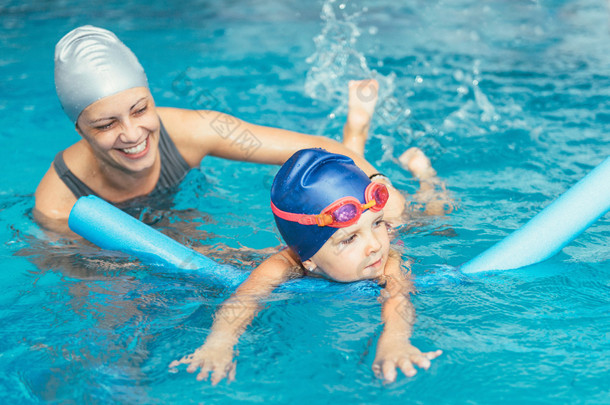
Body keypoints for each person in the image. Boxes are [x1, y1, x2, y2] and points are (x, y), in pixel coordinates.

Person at [34, 25, 406, 234]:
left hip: (185, 207)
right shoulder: (57, 202)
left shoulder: (195, 129)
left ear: (152, 97)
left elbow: (317, 148)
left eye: (140, 109)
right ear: (80, 130)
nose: (132, 134)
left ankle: (356, 129)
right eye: (106, 124)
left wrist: (379, 181)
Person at [169, 148, 445, 384]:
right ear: (309, 261)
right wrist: (219, 342)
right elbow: (246, 297)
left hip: (403, 225)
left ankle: (424, 174)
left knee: (435, 216)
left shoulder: (387, 257)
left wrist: (395, 340)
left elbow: (397, 296)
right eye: (349, 239)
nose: (375, 245)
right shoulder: (285, 262)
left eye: (376, 224)